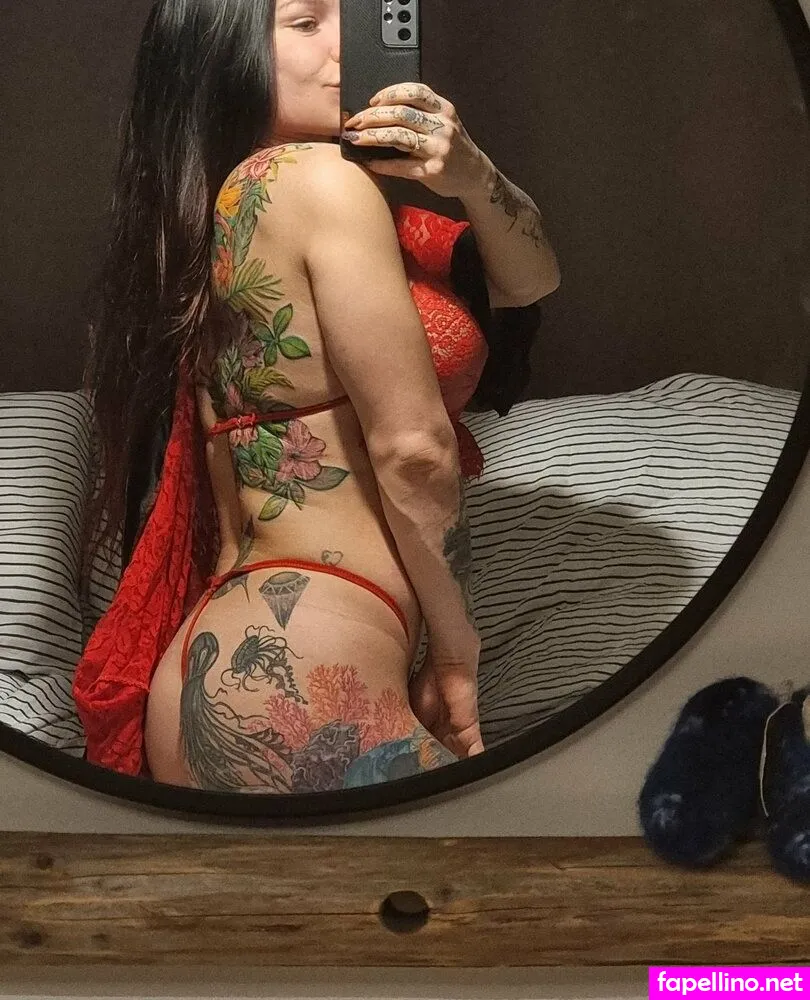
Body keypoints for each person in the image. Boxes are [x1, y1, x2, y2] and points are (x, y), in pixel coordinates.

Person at [74, 0, 561, 793]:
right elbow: (413, 449)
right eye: (305, 23)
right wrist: (455, 652)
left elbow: (530, 278)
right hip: (298, 665)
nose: (345, 44)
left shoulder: (234, 203)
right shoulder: (320, 181)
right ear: (225, 52)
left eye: (348, 12)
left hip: (228, 662)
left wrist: (469, 172)